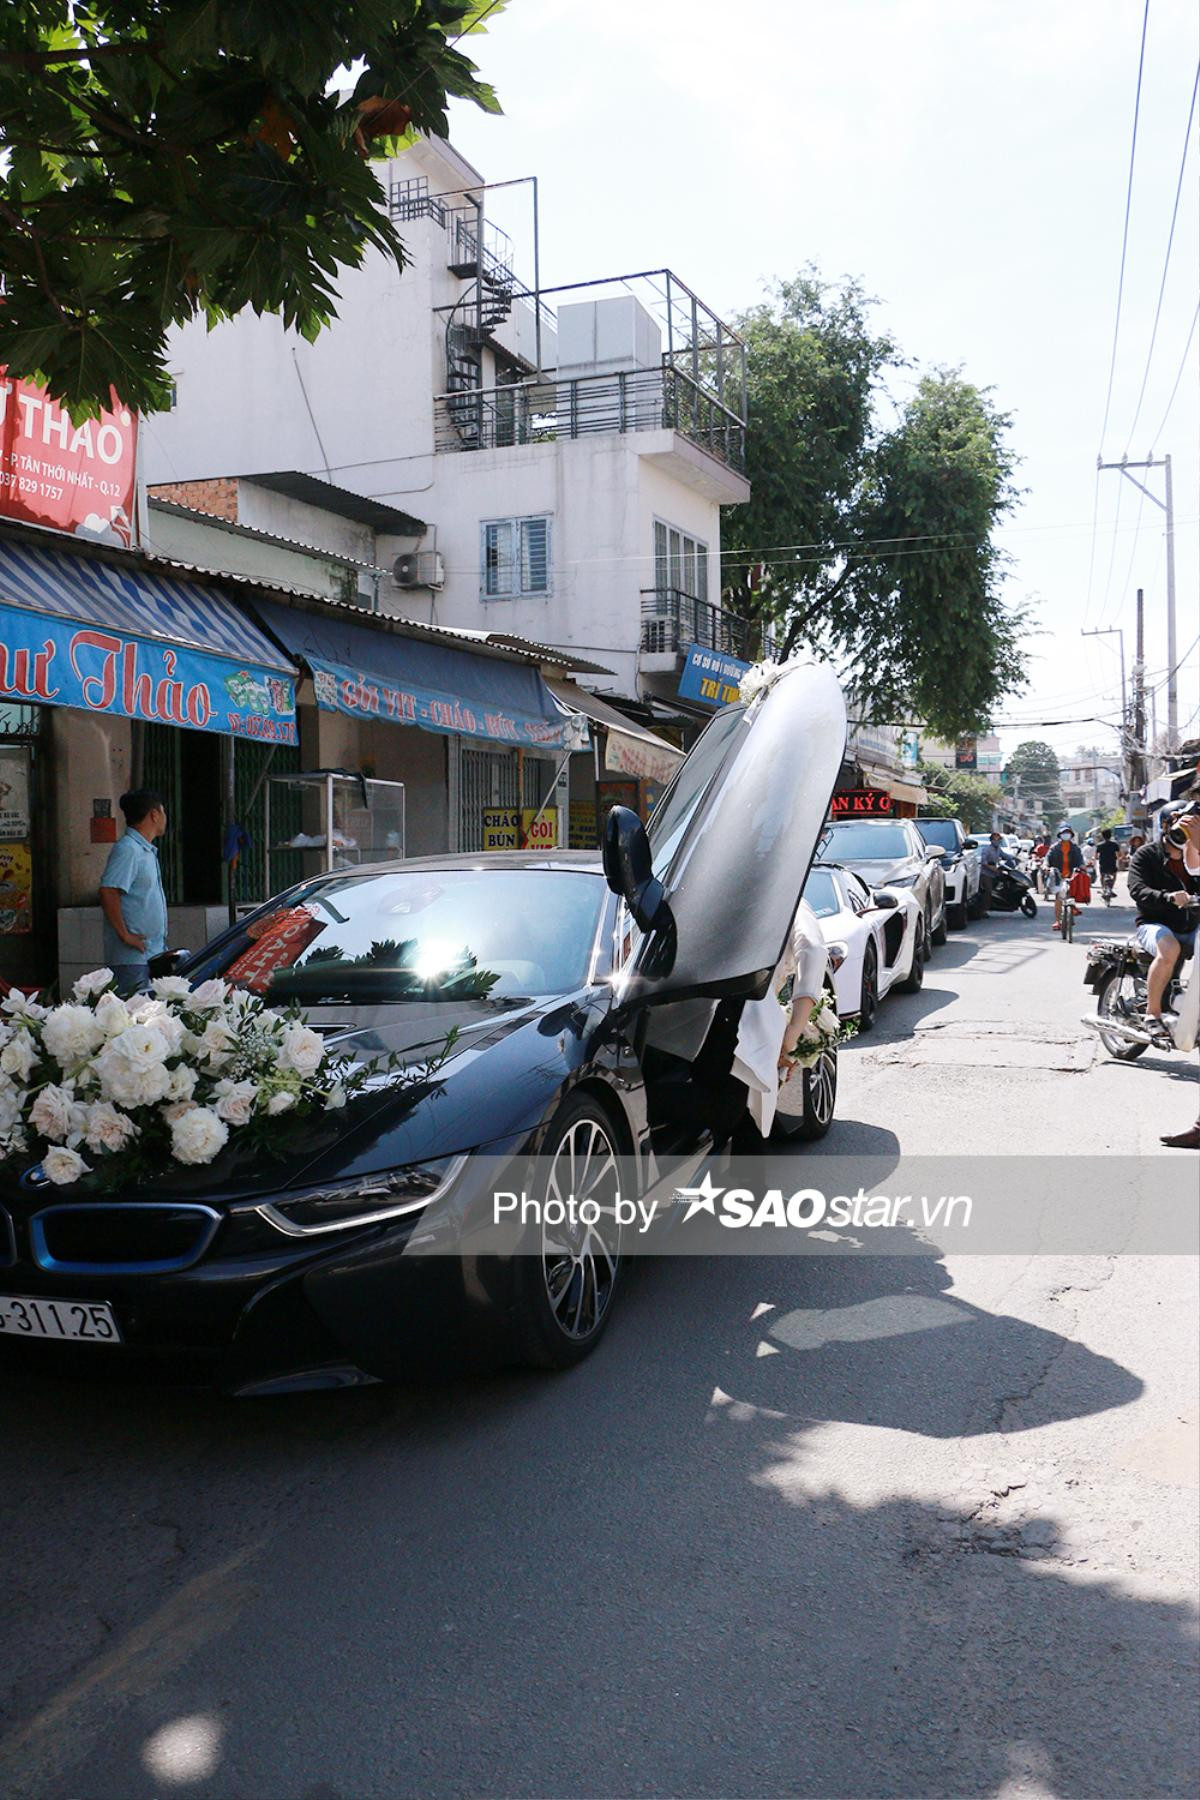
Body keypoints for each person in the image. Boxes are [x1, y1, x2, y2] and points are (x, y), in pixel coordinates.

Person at [1128, 806, 1200, 1038]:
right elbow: (1137, 889)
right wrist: (1167, 897)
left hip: (1192, 925)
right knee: (1170, 949)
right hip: (1154, 923)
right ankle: (1153, 1012)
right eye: (1182, 826)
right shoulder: (1147, 854)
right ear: (1167, 826)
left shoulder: (1196, 857)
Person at [98, 788, 169, 996]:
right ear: (154, 815)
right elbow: (108, 891)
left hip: (151, 954)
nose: (165, 818)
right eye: (163, 812)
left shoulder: (144, 850)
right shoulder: (128, 849)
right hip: (132, 958)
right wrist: (126, 935)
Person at [1044, 826, 1083, 929]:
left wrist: (1082, 866)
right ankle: (1057, 921)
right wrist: (1046, 866)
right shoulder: (1054, 848)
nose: (1066, 835)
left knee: (1071, 893)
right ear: (1060, 835)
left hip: (1071, 875)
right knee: (1058, 897)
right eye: (1064, 833)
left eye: (1068, 833)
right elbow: (1047, 858)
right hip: (1058, 876)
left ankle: (1072, 910)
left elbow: (1080, 860)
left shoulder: (1075, 848)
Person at [977, 830, 1018, 911]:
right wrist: (993, 868)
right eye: (995, 839)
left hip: (995, 873)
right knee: (988, 892)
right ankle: (984, 910)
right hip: (986, 874)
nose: (997, 841)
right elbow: (984, 862)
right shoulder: (987, 850)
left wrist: (1015, 858)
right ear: (992, 840)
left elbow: (1005, 856)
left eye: (998, 840)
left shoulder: (998, 849)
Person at [1096, 828, 1120, 902]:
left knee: (1102, 876)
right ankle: (1111, 889)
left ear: (1103, 836)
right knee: (1114, 875)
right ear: (1110, 835)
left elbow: (1096, 855)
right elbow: (1119, 854)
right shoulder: (1115, 844)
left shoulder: (1099, 845)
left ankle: (1103, 889)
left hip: (1103, 863)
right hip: (1112, 863)